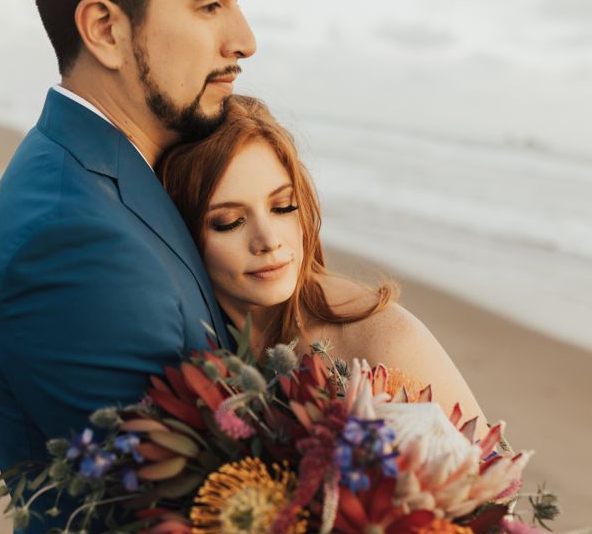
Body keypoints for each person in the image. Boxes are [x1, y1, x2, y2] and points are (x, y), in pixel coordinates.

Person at [0, 0, 255, 534]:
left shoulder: (108, 175)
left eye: (237, 1)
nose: (244, 39)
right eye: (210, 5)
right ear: (105, 30)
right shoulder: (72, 241)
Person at [158, 96, 489, 429]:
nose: (269, 240)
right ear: (181, 230)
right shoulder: (191, 346)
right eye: (229, 221)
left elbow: (494, 474)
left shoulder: (383, 338)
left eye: (283, 207)